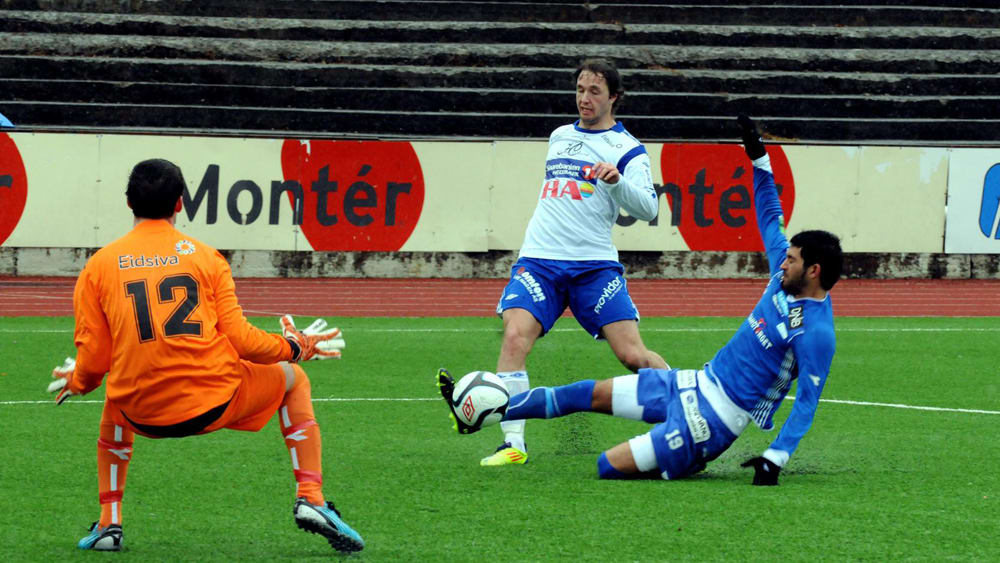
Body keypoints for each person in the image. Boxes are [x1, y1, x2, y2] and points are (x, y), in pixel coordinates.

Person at [441, 115, 843, 485]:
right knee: (582, 393)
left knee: (608, 465)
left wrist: (775, 458)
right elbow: (769, 213)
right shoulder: (781, 277)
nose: (782, 262)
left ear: (814, 271)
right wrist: (759, 158)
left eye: (792, 260)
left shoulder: (817, 332)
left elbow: (807, 403)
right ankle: (481, 412)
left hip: (715, 420)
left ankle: (687, 452)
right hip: (693, 383)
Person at [46, 158, 364, 552]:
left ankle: (110, 524)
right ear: (180, 203)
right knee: (294, 379)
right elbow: (243, 341)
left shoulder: (98, 267)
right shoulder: (206, 258)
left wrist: (78, 381)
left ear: (128, 203)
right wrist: (295, 347)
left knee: (116, 397)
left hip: (141, 413)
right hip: (214, 403)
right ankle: (310, 497)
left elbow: (94, 362)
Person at [485, 58, 668, 466]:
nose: (585, 99)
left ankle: (689, 411)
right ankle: (513, 445)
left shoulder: (628, 149)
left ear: (614, 97)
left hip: (593, 267)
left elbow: (648, 207)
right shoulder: (559, 136)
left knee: (633, 355)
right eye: (581, 90)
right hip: (540, 261)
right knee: (514, 337)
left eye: (594, 92)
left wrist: (617, 182)